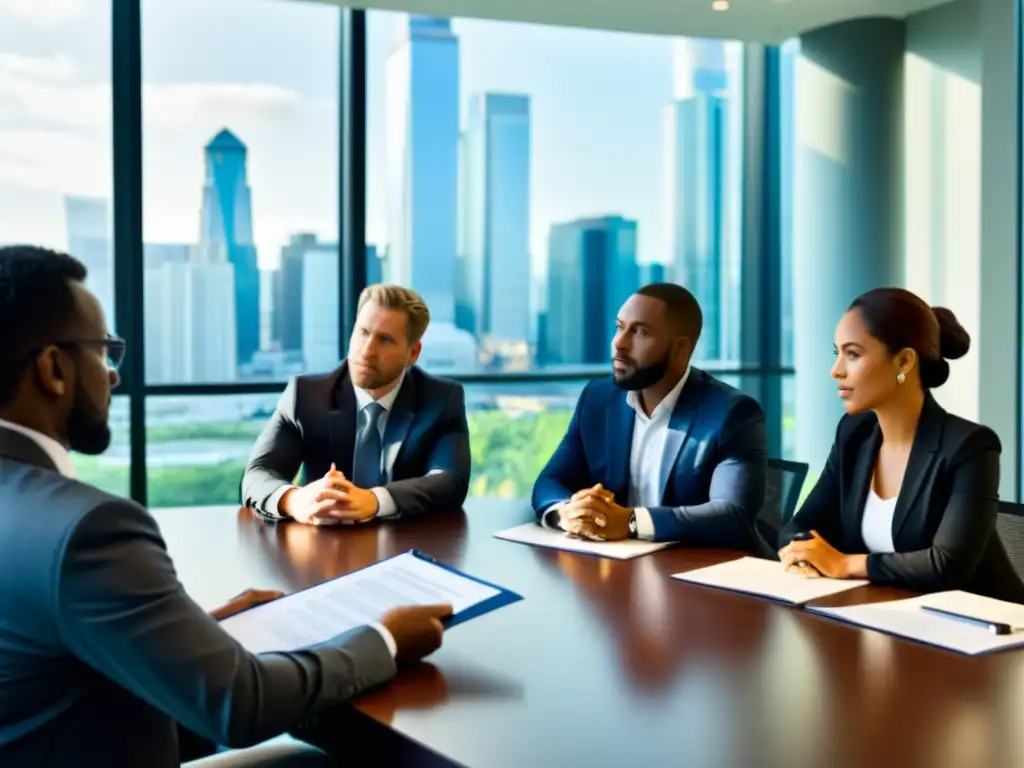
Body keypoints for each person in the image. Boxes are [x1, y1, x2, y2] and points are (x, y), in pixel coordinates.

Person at [0, 246, 453, 766]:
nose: (114, 374)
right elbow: (241, 704)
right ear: (53, 369)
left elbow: (55, 649)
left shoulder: (440, 399)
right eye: (103, 352)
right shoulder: (90, 530)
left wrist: (194, 634)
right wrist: (384, 640)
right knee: (314, 760)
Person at [778, 287, 1024, 603]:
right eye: (836, 353)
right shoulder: (855, 434)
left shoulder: (970, 447)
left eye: (852, 354)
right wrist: (803, 552)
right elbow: (799, 526)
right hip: (890, 617)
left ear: (905, 361)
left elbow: (947, 565)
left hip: (982, 629)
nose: (836, 370)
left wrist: (845, 564)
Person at [531, 283, 768, 548]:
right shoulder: (598, 398)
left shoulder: (731, 413)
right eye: (620, 327)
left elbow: (732, 515)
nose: (620, 343)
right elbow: (550, 480)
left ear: (680, 349)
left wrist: (631, 522)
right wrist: (566, 512)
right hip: (613, 567)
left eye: (640, 332)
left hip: (692, 573)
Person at [242, 284, 471, 525]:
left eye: (385, 340)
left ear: (412, 353)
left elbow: (450, 479)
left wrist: (373, 501)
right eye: (363, 332)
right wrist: (295, 500)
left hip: (404, 546)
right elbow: (258, 475)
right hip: (320, 548)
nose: (367, 351)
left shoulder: (441, 399)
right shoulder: (306, 395)